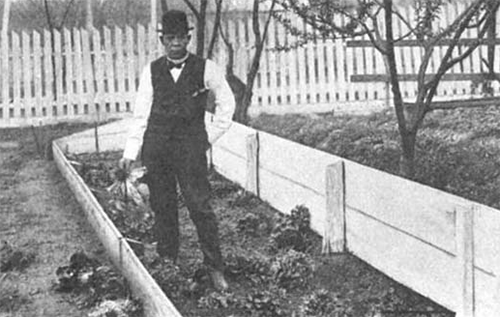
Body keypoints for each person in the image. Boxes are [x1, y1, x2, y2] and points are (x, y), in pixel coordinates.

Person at [118, 10, 235, 291]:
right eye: (169, 38)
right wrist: (129, 153)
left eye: (180, 37)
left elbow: (227, 105)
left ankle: (215, 268)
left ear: (188, 38)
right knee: (163, 207)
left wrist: (208, 138)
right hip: (157, 149)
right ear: (162, 40)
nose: (175, 43)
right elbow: (141, 115)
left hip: (190, 149)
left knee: (200, 206)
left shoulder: (206, 68)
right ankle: (168, 262)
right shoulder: (152, 70)